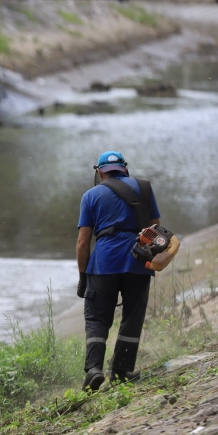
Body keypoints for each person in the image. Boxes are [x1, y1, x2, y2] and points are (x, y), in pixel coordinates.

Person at [75, 151, 161, 391]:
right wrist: (145, 252)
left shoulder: (91, 195)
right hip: (137, 260)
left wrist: (83, 276)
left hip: (104, 262)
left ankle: (93, 370)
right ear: (125, 169)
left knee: (96, 317)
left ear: (99, 172)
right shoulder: (144, 188)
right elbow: (156, 228)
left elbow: (83, 242)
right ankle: (121, 371)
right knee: (132, 315)